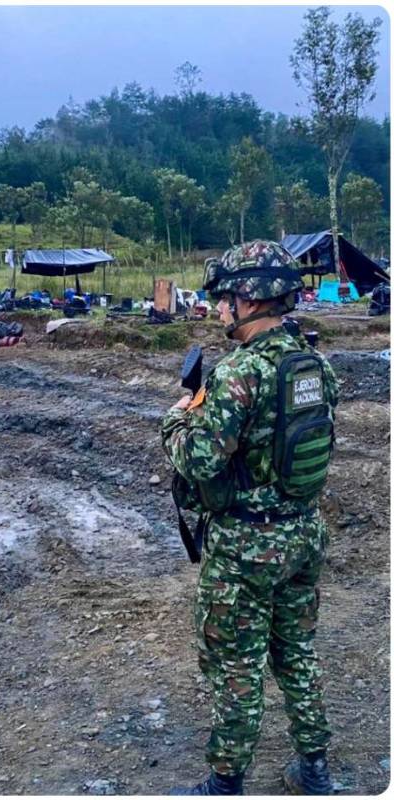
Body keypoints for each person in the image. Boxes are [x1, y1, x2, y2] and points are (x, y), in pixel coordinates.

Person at [161, 241, 338, 795]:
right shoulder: (315, 364)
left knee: (235, 666)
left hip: (245, 547)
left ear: (249, 299)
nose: (218, 311)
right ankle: (314, 768)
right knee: (296, 653)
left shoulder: (238, 373)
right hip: (303, 532)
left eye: (224, 301)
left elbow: (201, 458)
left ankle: (225, 782)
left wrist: (174, 419)